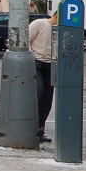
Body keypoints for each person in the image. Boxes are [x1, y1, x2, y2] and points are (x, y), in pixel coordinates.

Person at [29, 11, 59, 142]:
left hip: (50, 64)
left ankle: (40, 129)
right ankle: (31, 126)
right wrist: (32, 56)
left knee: (47, 98)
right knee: (39, 91)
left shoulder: (59, 30)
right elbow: (27, 39)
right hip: (37, 62)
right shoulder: (40, 24)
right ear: (56, 16)